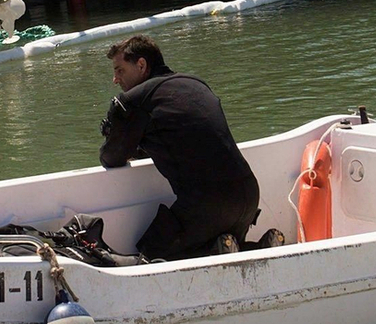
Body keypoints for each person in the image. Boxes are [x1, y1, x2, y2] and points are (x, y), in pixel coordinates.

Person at [99, 34, 261, 262]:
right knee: (208, 240)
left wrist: (113, 131)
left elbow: (111, 158)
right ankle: (253, 249)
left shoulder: (134, 101)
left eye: (120, 70)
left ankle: (218, 250)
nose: (115, 79)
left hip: (207, 206)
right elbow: (182, 137)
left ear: (142, 65)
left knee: (150, 259)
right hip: (248, 197)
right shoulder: (195, 84)